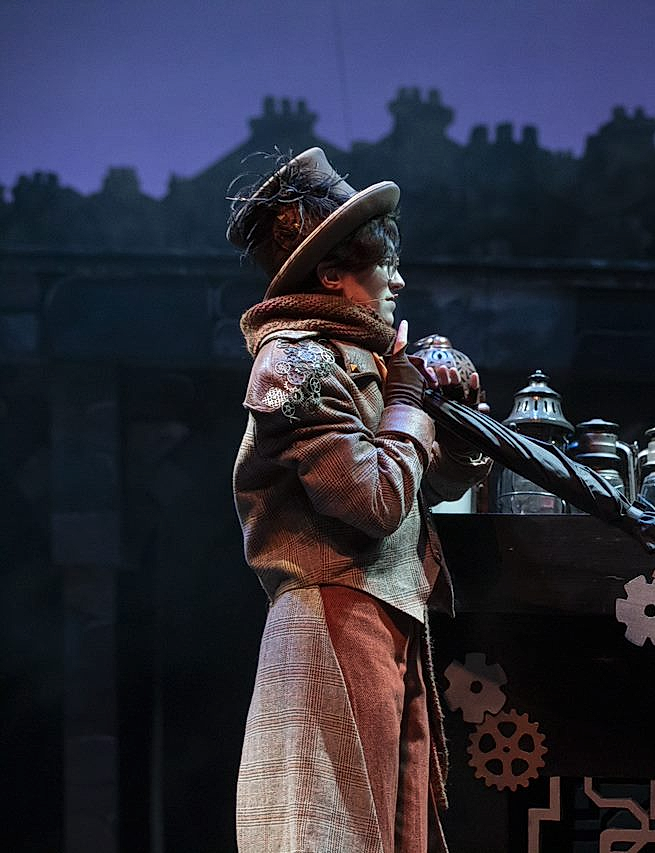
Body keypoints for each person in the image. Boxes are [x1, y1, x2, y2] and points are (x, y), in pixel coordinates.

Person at [227, 148, 490, 853]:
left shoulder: (363, 359)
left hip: (383, 620)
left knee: (391, 834)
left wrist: (455, 416)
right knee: (332, 830)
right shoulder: (297, 362)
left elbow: (431, 485)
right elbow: (372, 499)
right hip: (334, 619)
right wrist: (407, 400)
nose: (399, 280)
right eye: (385, 264)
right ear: (332, 275)